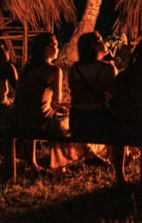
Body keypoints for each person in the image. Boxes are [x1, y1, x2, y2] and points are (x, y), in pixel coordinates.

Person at [12, 33, 87, 169]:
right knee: (69, 123)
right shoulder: (53, 70)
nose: (58, 49)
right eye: (56, 45)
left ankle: (32, 161)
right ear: (47, 49)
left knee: (41, 115)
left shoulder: (27, 69)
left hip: (19, 120)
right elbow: (56, 102)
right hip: (39, 123)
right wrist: (70, 106)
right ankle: (62, 165)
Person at [68, 31, 117, 136]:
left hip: (77, 120)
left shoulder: (74, 69)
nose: (104, 42)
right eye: (100, 40)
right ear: (93, 46)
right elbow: (115, 94)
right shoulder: (107, 68)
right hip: (98, 117)